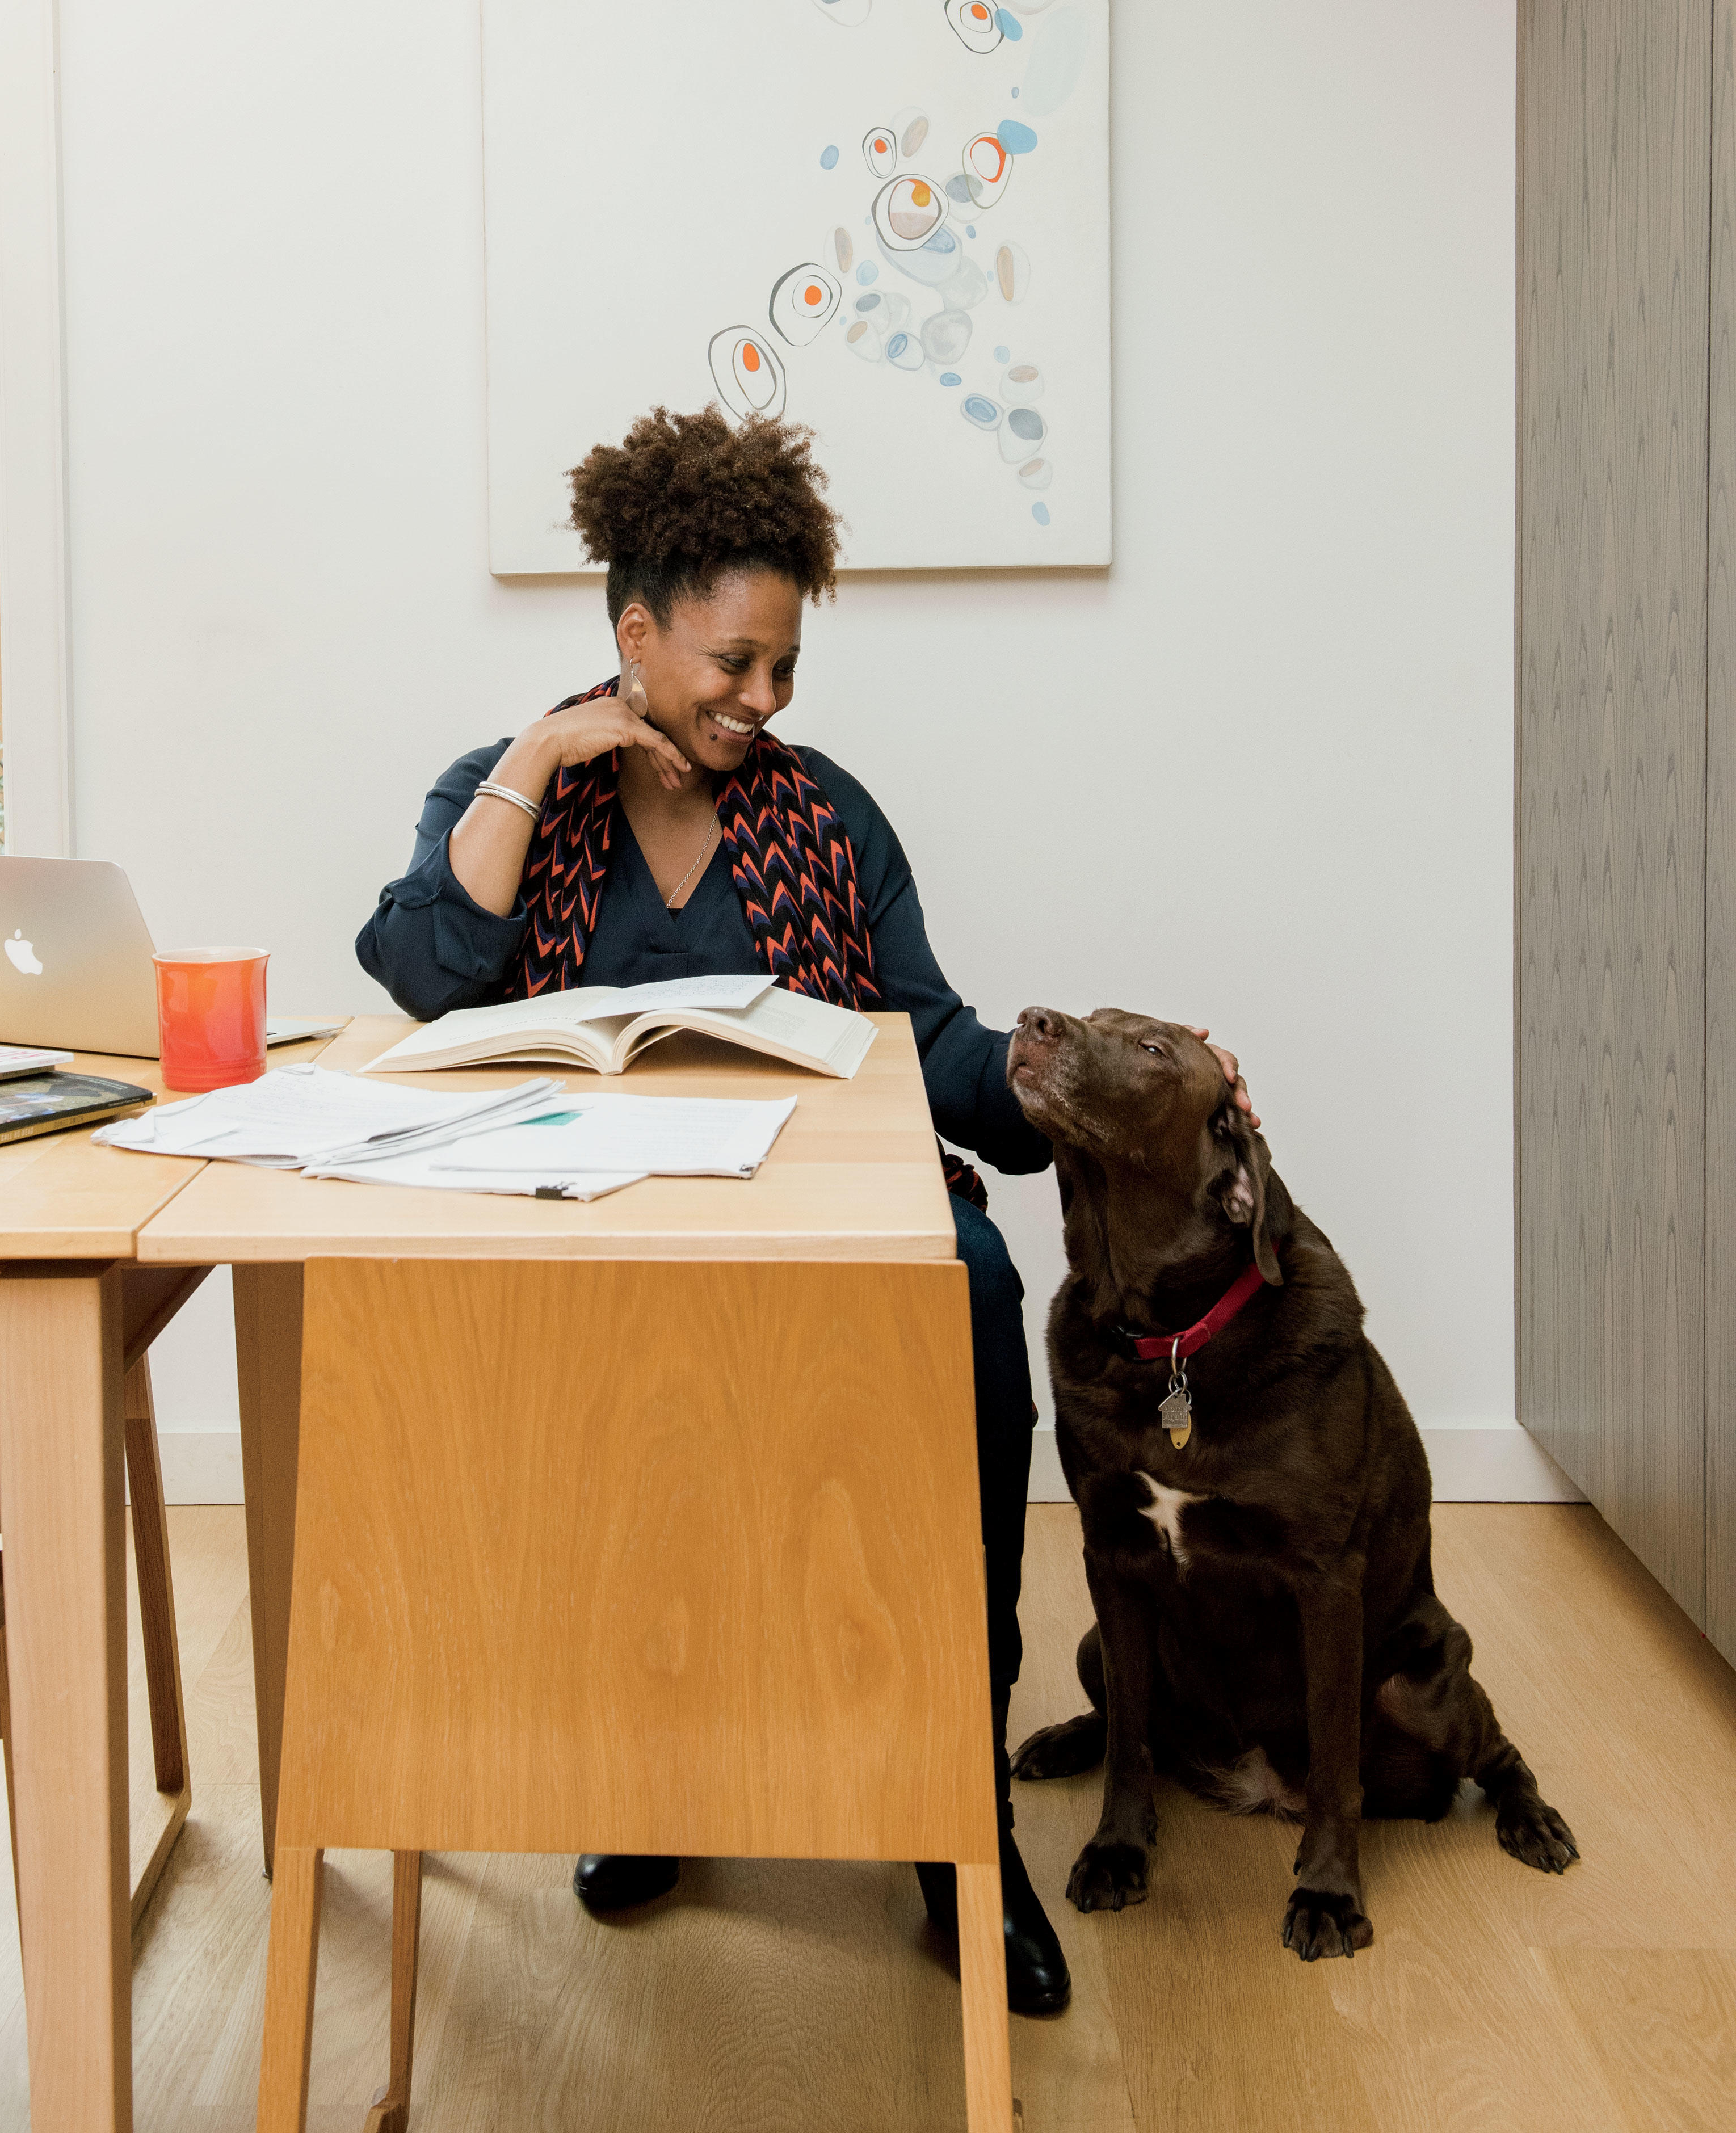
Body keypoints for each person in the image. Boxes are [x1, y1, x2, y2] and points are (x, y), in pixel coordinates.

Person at [356, 405, 1253, 2017]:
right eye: (729, 664)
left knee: (969, 1287)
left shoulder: (825, 811)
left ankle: (947, 1817)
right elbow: (427, 976)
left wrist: (1111, 1080)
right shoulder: (503, 796)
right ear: (634, 634)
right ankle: (652, 1783)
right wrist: (531, 761)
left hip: (819, 1217)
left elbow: (931, 1033)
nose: (762, 700)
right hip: (596, 1228)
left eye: (783, 668)